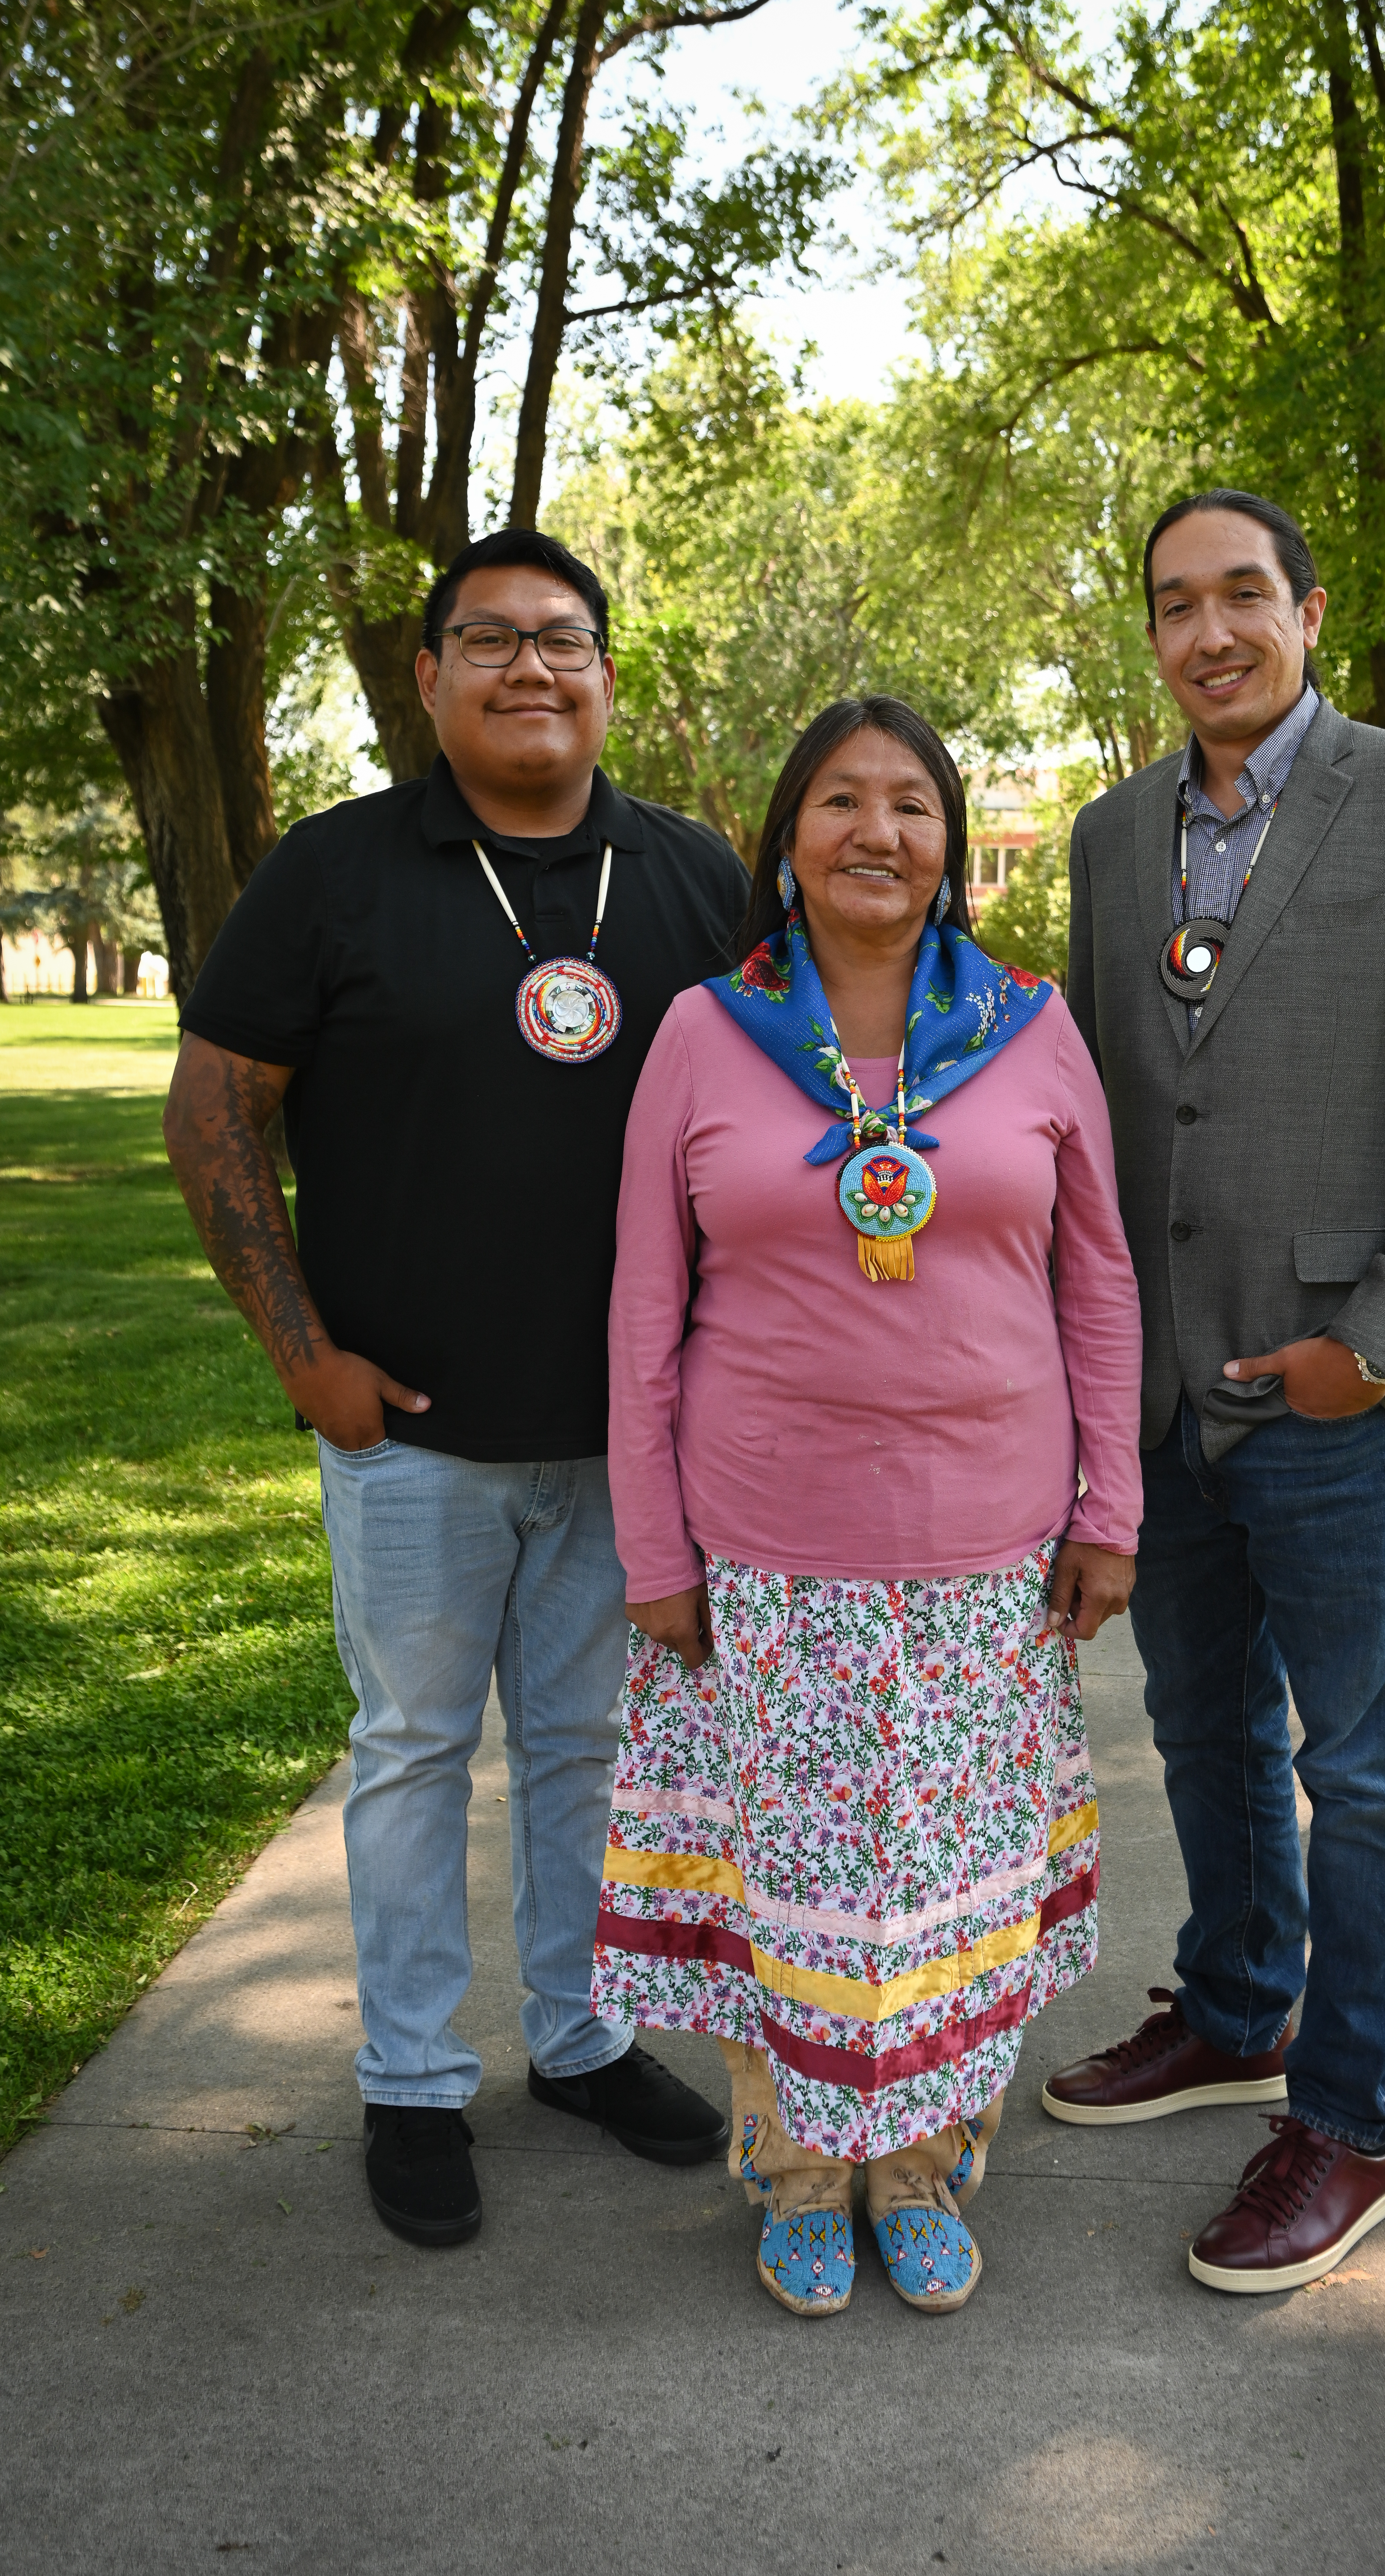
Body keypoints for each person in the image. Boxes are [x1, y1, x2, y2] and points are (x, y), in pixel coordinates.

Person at [162, 526, 741, 2248]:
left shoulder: (699, 874)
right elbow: (211, 1111)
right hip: (407, 1433)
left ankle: (578, 2041)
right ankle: (413, 2081)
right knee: (414, 1752)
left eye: (563, 638)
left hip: (620, 1439)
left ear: (608, 672)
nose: (529, 669)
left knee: (584, 1754)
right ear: (427, 679)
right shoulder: (334, 874)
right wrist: (304, 1357)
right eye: (487, 640)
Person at [595, 695, 1144, 2316]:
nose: (877, 833)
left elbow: (1098, 1281)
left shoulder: (1029, 1028)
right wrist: (652, 1545)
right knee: (799, 1892)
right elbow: (641, 1303)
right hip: (766, 1550)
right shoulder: (706, 1030)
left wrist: (1109, 1502)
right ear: (787, 840)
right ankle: (796, 2169)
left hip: (989, 1553)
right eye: (842, 800)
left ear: (950, 851)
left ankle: (919, 2165)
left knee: (951, 1888)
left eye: (912, 806)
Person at [1047, 489, 1385, 2293]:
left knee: (1368, 1773)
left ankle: (1345, 2117)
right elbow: (1096, 1114)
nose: (1209, 631)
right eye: (1175, 604)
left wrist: (1380, 1343)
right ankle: (1239, 2003)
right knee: (1203, 1728)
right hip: (1162, 1401)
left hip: (1334, 1393)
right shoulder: (1111, 836)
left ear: (1308, 610)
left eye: (1241, 593)